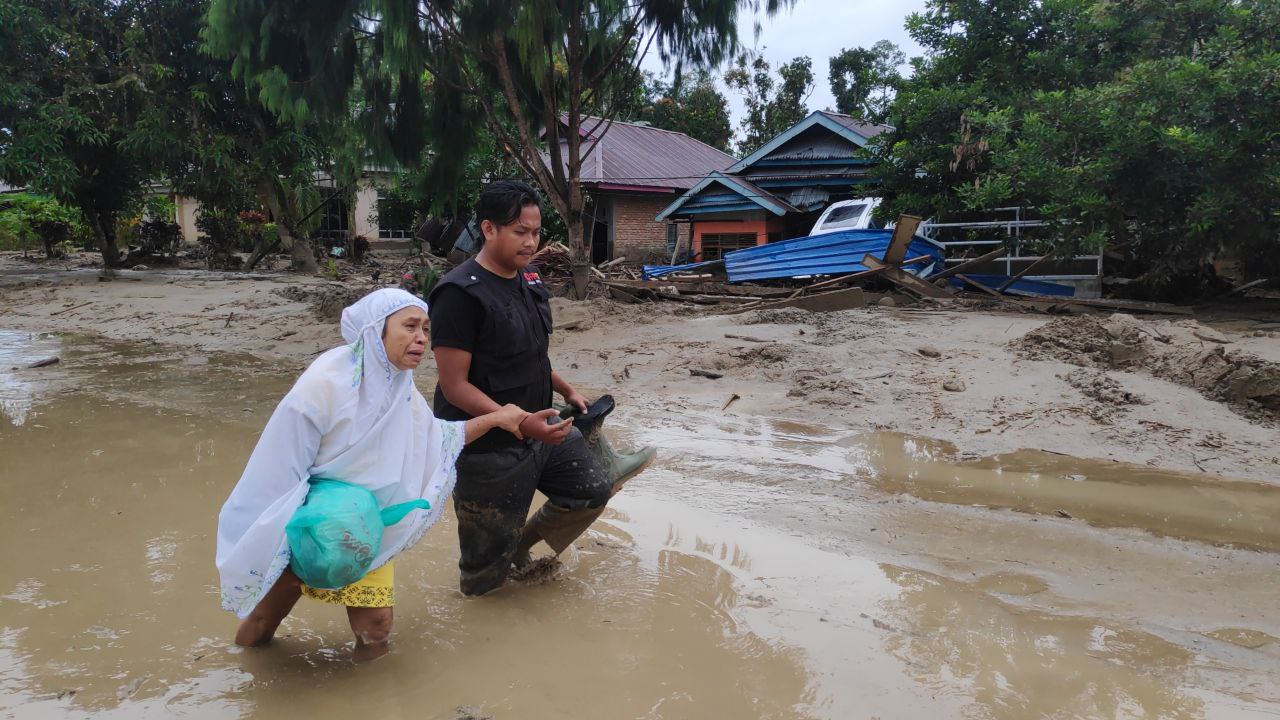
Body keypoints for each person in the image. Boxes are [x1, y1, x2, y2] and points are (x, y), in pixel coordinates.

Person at [216, 288, 542, 659]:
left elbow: (438, 439)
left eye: (425, 329)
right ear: (376, 331)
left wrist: (498, 419)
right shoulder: (324, 385)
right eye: (409, 326)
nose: (421, 338)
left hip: (368, 525)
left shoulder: (401, 389)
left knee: (376, 628)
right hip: (307, 523)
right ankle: (242, 672)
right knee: (262, 623)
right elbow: (281, 465)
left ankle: (370, 695)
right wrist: (294, 532)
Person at [429, 180, 652, 597]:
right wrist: (518, 422)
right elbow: (454, 386)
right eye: (520, 232)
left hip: (542, 428)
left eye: (535, 231)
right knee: (483, 584)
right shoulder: (459, 294)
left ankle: (521, 548)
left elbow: (529, 352)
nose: (531, 242)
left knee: (590, 490)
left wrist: (566, 389)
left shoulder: (529, 278)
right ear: (489, 229)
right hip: (486, 450)